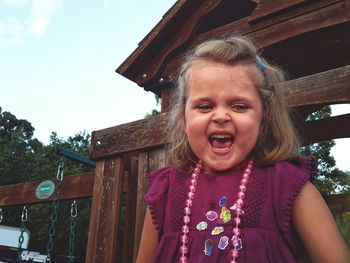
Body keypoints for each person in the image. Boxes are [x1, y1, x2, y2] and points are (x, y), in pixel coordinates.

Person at [136, 35, 350, 263]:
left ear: (264, 117)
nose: (220, 116)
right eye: (205, 106)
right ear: (183, 119)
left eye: (239, 106)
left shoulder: (288, 186)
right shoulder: (166, 192)